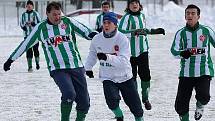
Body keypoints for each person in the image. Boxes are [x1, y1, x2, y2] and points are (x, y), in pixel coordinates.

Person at [3, 2, 97, 121]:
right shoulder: (41, 28)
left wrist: (96, 35)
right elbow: (26, 44)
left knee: (84, 102)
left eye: (59, 14)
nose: (57, 17)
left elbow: (86, 31)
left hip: (76, 66)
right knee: (69, 94)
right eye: (54, 14)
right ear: (47, 14)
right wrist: (11, 59)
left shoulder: (67, 21)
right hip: (57, 69)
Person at [85, 12, 144, 121]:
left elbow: (123, 61)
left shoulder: (122, 39)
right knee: (111, 102)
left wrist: (107, 57)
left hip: (124, 76)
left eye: (109, 23)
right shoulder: (97, 39)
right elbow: (92, 54)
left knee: (136, 107)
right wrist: (88, 68)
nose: (106, 25)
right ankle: (119, 116)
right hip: (107, 77)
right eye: (104, 22)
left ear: (116, 25)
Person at [170, 4, 215, 121]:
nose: (190, 15)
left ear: (198, 16)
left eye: (193, 13)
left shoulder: (206, 30)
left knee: (204, 96)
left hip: (204, 70)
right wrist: (182, 53)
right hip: (186, 73)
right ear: (185, 16)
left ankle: (200, 106)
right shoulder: (180, 33)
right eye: (188, 13)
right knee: (180, 104)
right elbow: (173, 50)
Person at [118, 0, 165, 110]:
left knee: (146, 76)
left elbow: (143, 30)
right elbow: (120, 31)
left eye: (136, 3)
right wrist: (134, 32)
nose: (134, 5)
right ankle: (136, 99)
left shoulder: (142, 16)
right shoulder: (126, 17)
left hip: (143, 51)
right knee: (132, 76)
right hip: (130, 53)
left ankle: (145, 98)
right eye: (132, 3)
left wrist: (154, 31)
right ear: (128, 6)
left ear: (139, 5)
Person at [20, 0, 41, 72]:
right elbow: (21, 24)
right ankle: (30, 66)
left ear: (32, 6)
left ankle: (37, 63)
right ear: (26, 7)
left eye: (30, 6)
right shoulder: (23, 15)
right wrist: (24, 27)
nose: (29, 7)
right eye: (28, 6)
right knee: (28, 50)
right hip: (27, 36)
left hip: (35, 35)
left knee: (35, 49)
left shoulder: (36, 14)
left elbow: (39, 23)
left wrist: (33, 24)